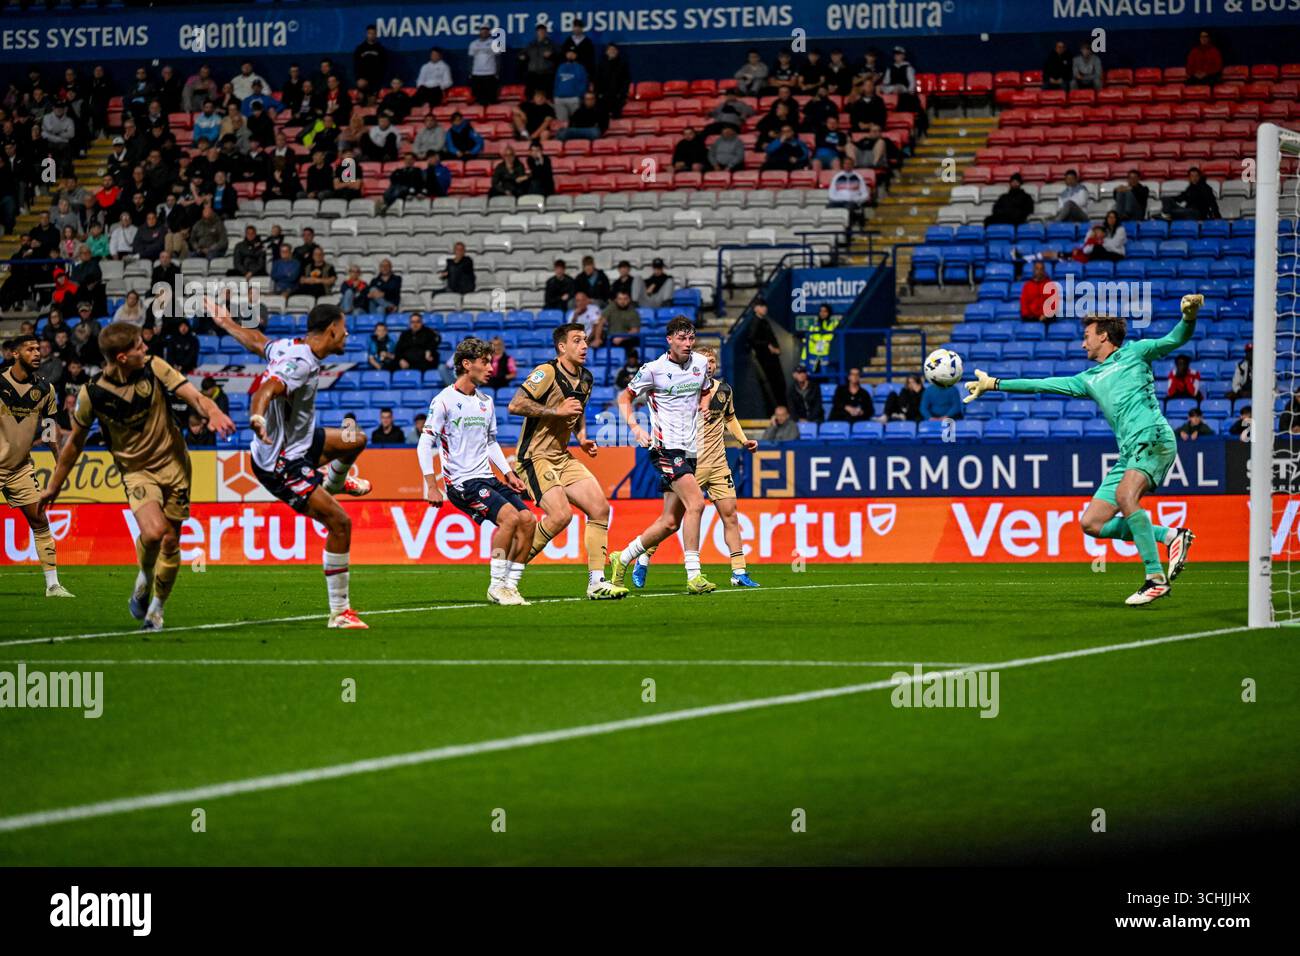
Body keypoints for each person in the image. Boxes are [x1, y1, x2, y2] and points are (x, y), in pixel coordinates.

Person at [963, 296, 1205, 605]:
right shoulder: (1087, 379)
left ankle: (1155, 578)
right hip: (1129, 451)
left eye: (1086, 336)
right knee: (1092, 522)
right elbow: (1042, 385)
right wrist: (995, 384)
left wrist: (1188, 316)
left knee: (1124, 497)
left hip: (1153, 437)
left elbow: (1175, 339)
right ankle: (1170, 537)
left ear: (1103, 335)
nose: (1082, 344)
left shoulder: (1136, 352)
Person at [41, 322, 235, 629]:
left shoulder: (154, 367)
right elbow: (75, 442)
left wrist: (213, 412)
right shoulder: (92, 395)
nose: (145, 349)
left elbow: (193, 396)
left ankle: (156, 609)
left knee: (171, 543)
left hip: (176, 466)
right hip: (137, 472)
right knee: (156, 534)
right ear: (121, 357)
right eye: (138, 347)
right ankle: (144, 576)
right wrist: (54, 485)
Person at [208, 299, 371, 628]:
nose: (347, 334)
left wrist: (226, 323)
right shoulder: (300, 363)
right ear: (331, 330)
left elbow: (258, 341)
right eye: (343, 329)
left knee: (357, 438)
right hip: (282, 463)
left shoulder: (289, 346)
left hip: (303, 442)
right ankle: (340, 613)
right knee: (340, 524)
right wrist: (256, 415)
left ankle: (333, 482)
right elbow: (268, 388)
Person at [505, 323, 626, 600]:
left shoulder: (586, 378)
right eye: (577, 341)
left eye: (585, 340)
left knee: (600, 509)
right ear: (562, 347)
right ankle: (508, 578)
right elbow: (515, 405)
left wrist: (581, 436)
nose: (584, 346)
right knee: (561, 516)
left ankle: (596, 583)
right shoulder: (546, 372)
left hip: (562, 456)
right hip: (534, 457)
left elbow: (576, 411)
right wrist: (555, 410)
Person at [632, 346, 760, 589]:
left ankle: (739, 571)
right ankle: (643, 558)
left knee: (730, 514)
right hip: (689, 462)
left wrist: (744, 441)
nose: (709, 365)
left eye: (712, 361)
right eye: (706, 361)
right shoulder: (687, 390)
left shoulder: (724, 390)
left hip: (718, 463)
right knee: (671, 520)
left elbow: (730, 418)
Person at [420, 336, 536, 605]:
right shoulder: (444, 401)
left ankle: (510, 585)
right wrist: (431, 484)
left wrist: (508, 473)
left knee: (528, 521)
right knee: (510, 519)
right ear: (466, 364)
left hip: (487, 477)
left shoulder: (486, 401)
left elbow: (491, 442)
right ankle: (496, 587)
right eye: (485, 362)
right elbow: (426, 443)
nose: (491, 368)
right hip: (462, 483)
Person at [608, 317, 717, 594]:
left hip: (690, 448)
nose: (687, 344)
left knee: (670, 522)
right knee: (697, 503)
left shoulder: (700, 364)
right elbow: (624, 398)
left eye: (691, 339)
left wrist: (704, 406)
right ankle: (694, 575)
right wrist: (634, 427)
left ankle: (622, 558)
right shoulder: (653, 370)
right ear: (669, 339)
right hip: (665, 447)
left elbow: (705, 391)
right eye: (681, 338)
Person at [0, 334, 74, 597]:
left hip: (19, 468)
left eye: (38, 348)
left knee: (39, 520)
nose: (37, 352)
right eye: (29, 349)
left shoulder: (46, 389)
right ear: (15, 353)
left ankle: (53, 585)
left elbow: (50, 429)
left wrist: (60, 463)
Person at [749, 298, 787, 412]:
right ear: (756, 308)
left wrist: (777, 348)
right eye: (762, 306)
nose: (765, 308)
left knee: (780, 384)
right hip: (766, 359)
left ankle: (782, 409)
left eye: (765, 306)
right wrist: (769, 346)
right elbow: (752, 340)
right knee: (775, 384)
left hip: (772, 357)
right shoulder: (756, 322)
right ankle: (778, 409)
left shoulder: (764, 321)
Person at [518, 24, 557, 101]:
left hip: (546, 74)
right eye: (540, 31)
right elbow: (522, 54)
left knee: (548, 96)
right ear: (537, 32)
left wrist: (552, 55)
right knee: (530, 95)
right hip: (533, 74)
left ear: (546, 32)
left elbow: (559, 56)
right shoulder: (531, 44)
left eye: (543, 31)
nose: (541, 33)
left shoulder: (551, 44)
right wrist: (522, 56)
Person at [552, 48, 588, 125]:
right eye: (569, 53)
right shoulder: (560, 66)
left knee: (576, 122)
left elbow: (584, 83)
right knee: (562, 124)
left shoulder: (580, 67)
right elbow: (556, 82)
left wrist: (579, 96)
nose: (570, 55)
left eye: (573, 53)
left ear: (576, 55)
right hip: (559, 99)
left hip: (574, 98)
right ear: (566, 55)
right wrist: (555, 95)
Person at [468, 25, 501, 106]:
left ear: (489, 32)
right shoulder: (473, 44)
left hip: (490, 73)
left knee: (491, 98)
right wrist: (470, 72)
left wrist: (497, 72)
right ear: (479, 32)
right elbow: (470, 60)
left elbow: (498, 59)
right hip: (477, 74)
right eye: (482, 30)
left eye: (486, 30)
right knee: (478, 99)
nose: (484, 32)